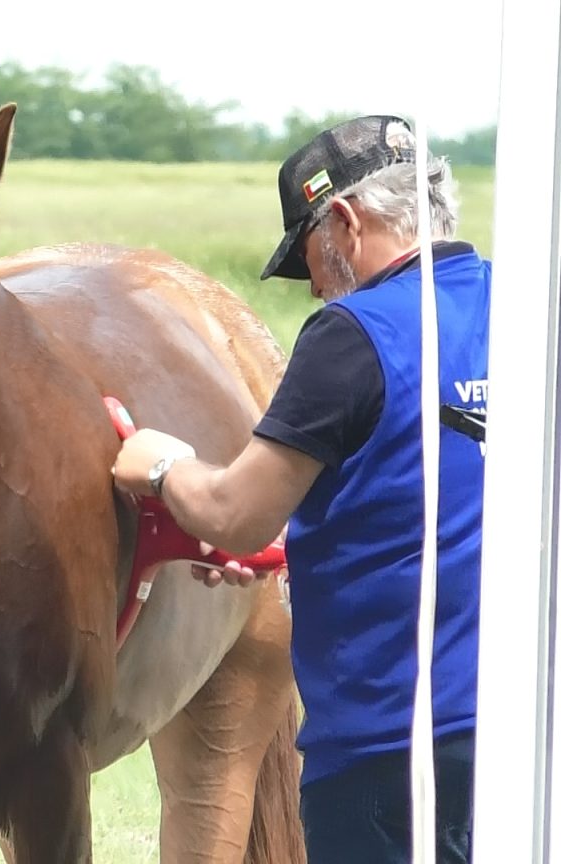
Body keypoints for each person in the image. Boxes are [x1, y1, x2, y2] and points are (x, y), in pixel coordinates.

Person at [111, 115, 489, 863]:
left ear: (344, 220)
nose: (316, 286)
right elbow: (436, 486)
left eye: (309, 256)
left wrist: (160, 467)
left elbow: (234, 514)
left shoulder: (354, 333)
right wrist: (294, 544)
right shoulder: (520, 307)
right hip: (515, 738)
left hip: (384, 752)